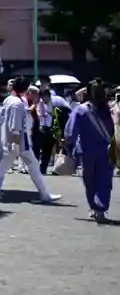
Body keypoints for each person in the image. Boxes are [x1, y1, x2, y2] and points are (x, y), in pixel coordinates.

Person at [0, 79, 61, 203]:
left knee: (6, 166)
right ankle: (44, 194)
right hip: (18, 141)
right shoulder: (17, 103)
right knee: (31, 165)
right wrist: (15, 142)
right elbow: (15, 126)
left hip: (12, 139)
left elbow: (4, 119)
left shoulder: (9, 100)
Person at [64, 80, 115, 222]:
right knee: (104, 181)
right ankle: (101, 209)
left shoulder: (81, 110)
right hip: (107, 150)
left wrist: (69, 146)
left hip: (86, 151)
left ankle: (94, 207)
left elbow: (70, 132)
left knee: (90, 181)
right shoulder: (110, 109)